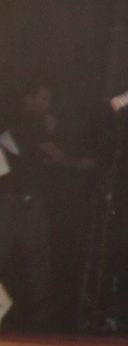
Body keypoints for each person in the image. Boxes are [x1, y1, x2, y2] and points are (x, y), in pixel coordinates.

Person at [0, 87, 95, 329]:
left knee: (39, 260)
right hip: (13, 202)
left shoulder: (36, 125)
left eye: (49, 99)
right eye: (42, 99)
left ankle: (39, 319)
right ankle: (37, 317)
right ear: (28, 99)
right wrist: (83, 164)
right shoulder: (27, 124)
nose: (47, 104)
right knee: (34, 260)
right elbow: (55, 157)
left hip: (29, 202)